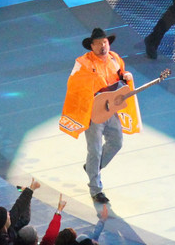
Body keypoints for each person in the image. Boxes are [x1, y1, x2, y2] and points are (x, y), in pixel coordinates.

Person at [60, 27, 139, 204]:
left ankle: (92, 169)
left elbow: (120, 77)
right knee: (94, 150)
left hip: (110, 109)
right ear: (92, 46)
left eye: (105, 42)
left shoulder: (115, 58)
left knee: (117, 142)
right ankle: (96, 189)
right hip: (92, 111)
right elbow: (74, 84)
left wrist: (126, 76)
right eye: (98, 43)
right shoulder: (83, 63)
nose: (103, 46)